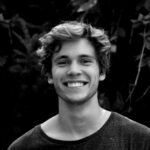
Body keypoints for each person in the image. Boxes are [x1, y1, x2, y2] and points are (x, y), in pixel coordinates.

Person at [8, 21, 150, 150]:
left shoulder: (140, 140)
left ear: (102, 71)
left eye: (85, 61)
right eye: (63, 62)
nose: (74, 71)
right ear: (49, 75)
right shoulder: (23, 147)